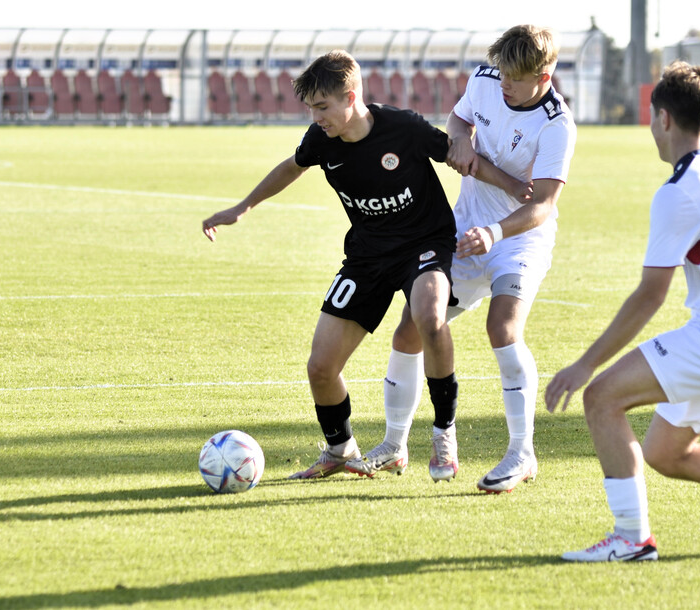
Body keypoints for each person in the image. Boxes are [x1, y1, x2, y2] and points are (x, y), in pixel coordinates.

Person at [202, 50, 526, 480]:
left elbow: (460, 157)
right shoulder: (322, 140)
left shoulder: (403, 127)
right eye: (311, 109)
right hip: (367, 255)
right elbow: (292, 166)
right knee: (320, 367)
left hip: (423, 245)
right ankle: (340, 450)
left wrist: (517, 187)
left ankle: (444, 432)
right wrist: (243, 207)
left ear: (350, 97)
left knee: (429, 317)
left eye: (323, 107)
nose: (316, 117)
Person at [545, 61, 700, 562]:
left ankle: (631, 539)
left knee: (601, 398)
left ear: (663, 119)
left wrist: (585, 364)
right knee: (664, 452)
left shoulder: (679, 193)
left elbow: (649, 295)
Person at [347, 25, 575, 492]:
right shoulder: (487, 78)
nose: (504, 83)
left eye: (516, 76)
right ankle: (393, 445)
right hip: (465, 229)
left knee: (502, 327)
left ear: (545, 76)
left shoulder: (556, 125)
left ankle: (521, 452)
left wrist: (495, 232)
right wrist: (462, 137)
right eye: (502, 73)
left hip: (517, 239)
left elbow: (543, 205)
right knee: (413, 328)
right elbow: (457, 122)